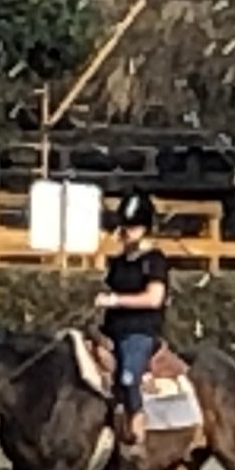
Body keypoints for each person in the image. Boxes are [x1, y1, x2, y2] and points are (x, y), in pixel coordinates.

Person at [93, 191, 170, 450]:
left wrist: (115, 300)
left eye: (132, 227)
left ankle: (137, 427)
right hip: (111, 329)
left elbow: (154, 298)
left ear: (145, 229)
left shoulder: (154, 261)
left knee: (128, 377)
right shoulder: (117, 262)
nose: (125, 232)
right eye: (124, 226)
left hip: (139, 331)